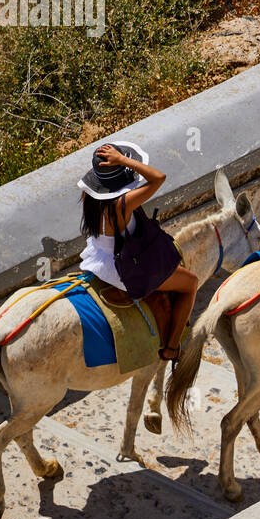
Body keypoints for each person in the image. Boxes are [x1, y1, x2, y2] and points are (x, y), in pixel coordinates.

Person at [77, 141, 198, 360]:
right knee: (191, 284)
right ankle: (171, 348)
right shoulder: (121, 204)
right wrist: (124, 160)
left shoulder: (89, 196)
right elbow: (158, 178)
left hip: (98, 257)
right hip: (122, 269)